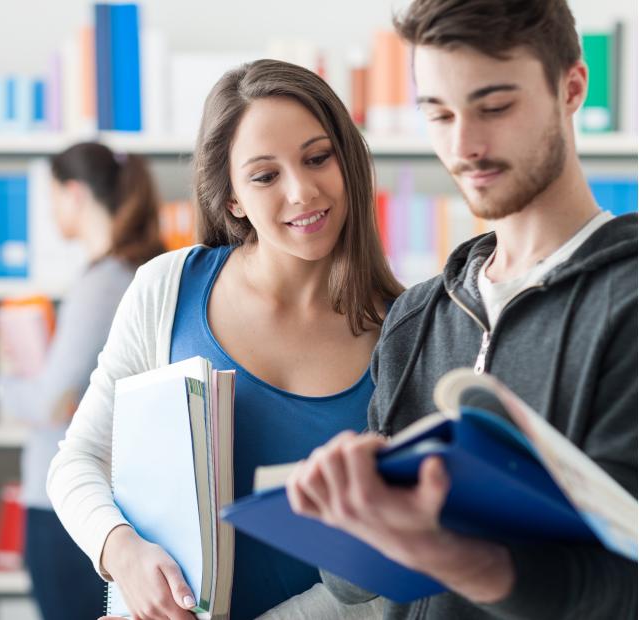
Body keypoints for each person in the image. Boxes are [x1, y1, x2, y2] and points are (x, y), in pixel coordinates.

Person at [286, 0, 638, 618]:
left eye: (494, 107)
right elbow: (355, 586)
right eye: (439, 114)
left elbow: (621, 587)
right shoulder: (417, 317)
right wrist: (342, 515)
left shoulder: (628, 302)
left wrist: (449, 553)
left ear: (571, 87)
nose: (464, 145)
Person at [47, 59, 402, 620]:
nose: (302, 191)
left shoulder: (405, 332)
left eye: (317, 158)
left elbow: (388, 564)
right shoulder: (167, 288)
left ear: (348, 160)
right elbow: (78, 460)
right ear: (232, 196)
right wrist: (122, 552)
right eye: (265, 175)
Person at [0, 142, 163, 620]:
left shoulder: (103, 283)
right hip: (104, 503)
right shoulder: (131, 274)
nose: (50, 211)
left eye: (51, 196)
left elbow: (52, 401)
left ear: (73, 194)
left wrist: (4, 382)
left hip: (68, 506)